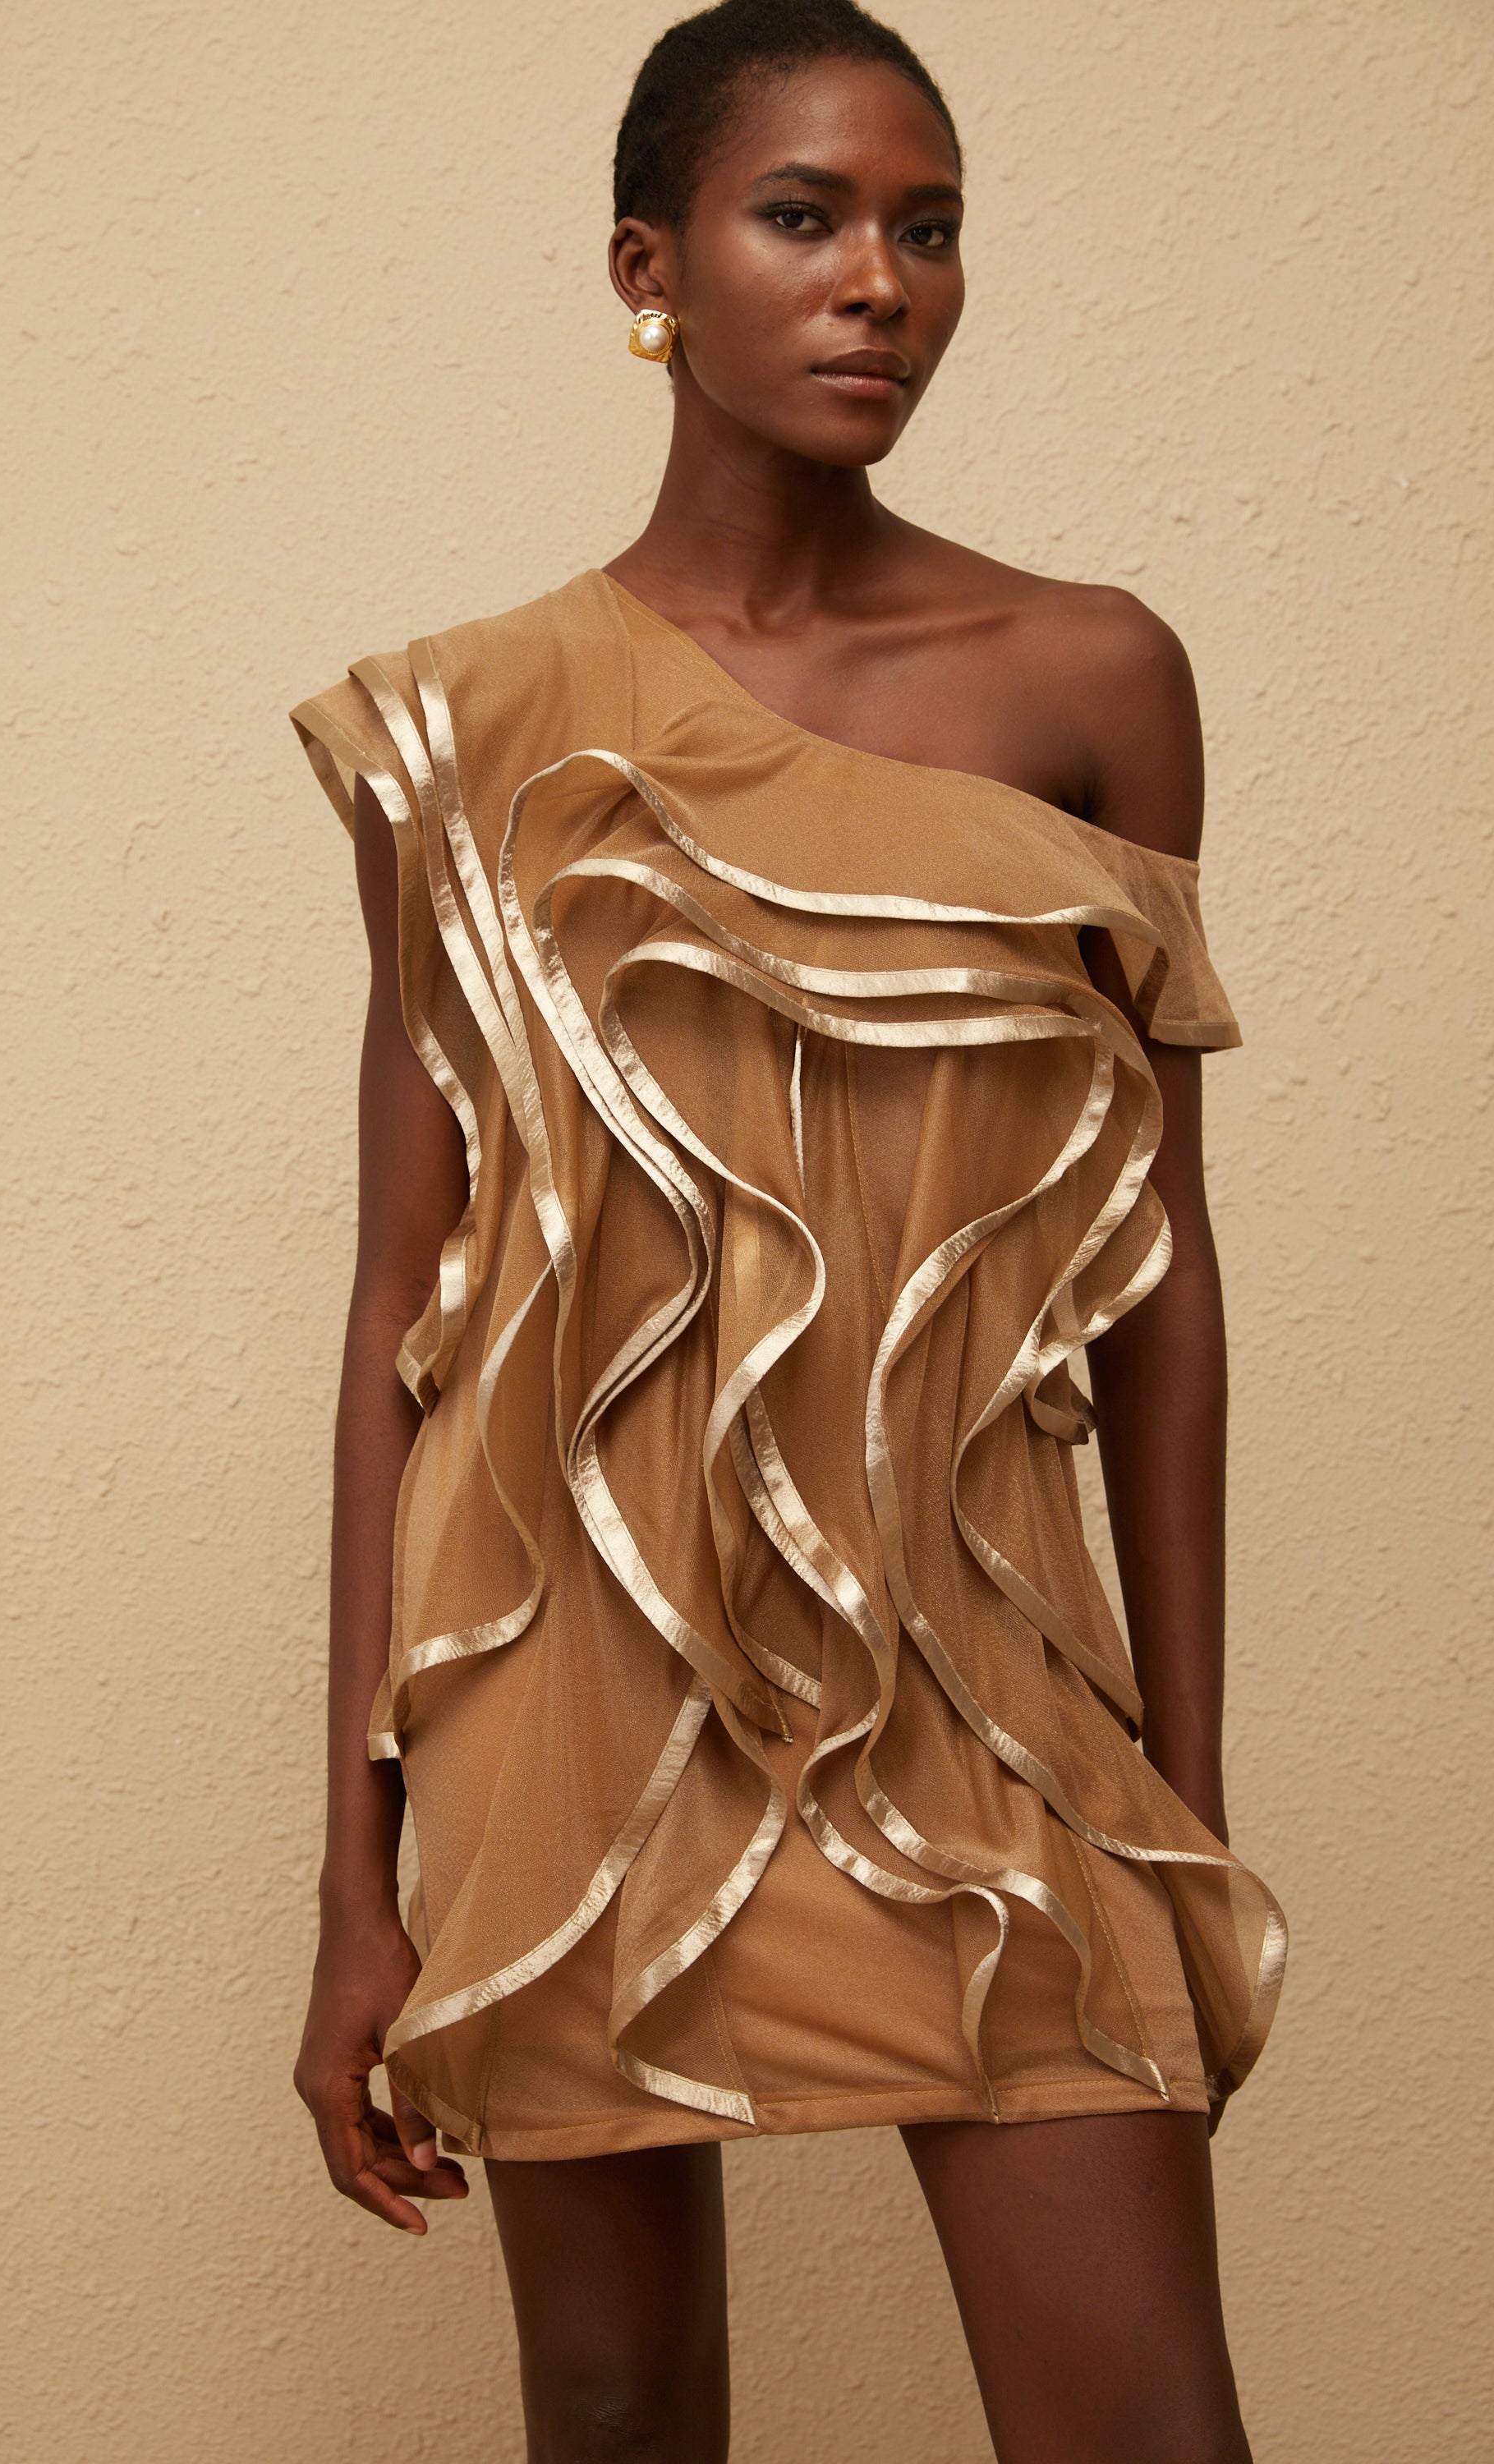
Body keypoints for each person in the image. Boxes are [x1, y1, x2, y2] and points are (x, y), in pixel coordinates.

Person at [290, 3, 1286, 2456]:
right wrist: (352, 1886)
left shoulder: (1090, 675)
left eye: (927, 230)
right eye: (806, 217)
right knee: (619, 2417)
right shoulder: (469, 731)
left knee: (1147, 2429)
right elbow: (405, 1316)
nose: (880, 284)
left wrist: (1184, 1791)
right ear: (652, 268)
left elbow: (1161, 1282)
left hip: (980, 1684)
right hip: (573, 1699)